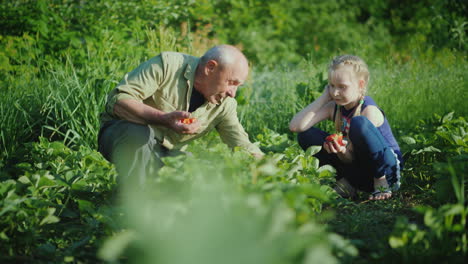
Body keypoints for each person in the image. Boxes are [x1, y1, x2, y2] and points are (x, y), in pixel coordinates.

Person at [98, 45, 263, 184]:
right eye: (232, 83)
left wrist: (270, 167)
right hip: (121, 136)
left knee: (199, 172)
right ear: (210, 68)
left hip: (165, 153)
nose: (233, 93)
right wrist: (163, 119)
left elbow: (241, 144)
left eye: (238, 86)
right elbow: (119, 101)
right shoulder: (168, 65)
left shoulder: (225, 104)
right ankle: (131, 206)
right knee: (139, 134)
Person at [289, 55, 402, 200]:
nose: (335, 93)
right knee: (306, 134)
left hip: (384, 168)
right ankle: (350, 183)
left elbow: (360, 155)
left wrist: (344, 151)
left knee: (358, 124)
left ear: (360, 85)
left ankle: (379, 183)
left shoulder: (368, 111)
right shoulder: (334, 107)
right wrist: (324, 97)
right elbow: (296, 126)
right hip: (355, 164)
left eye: (342, 87)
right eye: (331, 85)